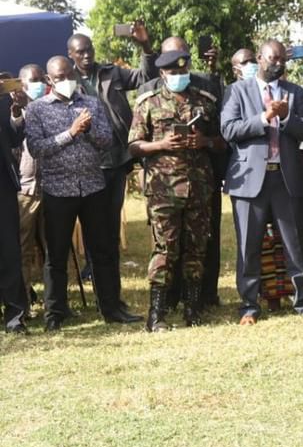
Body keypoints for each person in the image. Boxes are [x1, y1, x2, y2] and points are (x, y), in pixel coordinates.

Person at [24, 56, 140, 330]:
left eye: (70, 76)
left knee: (101, 250)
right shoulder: (37, 110)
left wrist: (86, 131)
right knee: (57, 255)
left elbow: (107, 141)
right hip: (58, 191)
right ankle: (55, 313)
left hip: (92, 187)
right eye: (61, 77)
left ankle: (111, 307)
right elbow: (37, 148)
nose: (67, 81)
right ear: (50, 80)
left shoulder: (91, 103)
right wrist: (71, 132)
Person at [222, 40, 303, 324]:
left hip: (285, 178)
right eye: (271, 59)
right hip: (250, 180)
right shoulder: (237, 91)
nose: (277, 64)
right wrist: (263, 118)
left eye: (281, 61)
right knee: (248, 247)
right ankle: (249, 307)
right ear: (259, 59)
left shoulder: (295, 92)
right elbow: (229, 129)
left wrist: (287, 117)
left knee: (294, 244)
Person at [128, 50, 222, 330]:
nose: (179, 76)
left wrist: (203, 141)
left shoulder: (205, 101)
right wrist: (161, 145)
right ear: (162, 74)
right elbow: (133, 146)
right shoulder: (147, 102)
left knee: (196, 248)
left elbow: (222, 141)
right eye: (173, 73)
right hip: (163, 190)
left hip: (199, 188)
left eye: (183, 72)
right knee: (165, 249)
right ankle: (156, 314)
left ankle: (193, 310)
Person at [68, 27, 157, 306]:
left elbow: (146, 77)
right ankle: (98, 280)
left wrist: (145, 47)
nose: (86, 55)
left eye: (89, 49)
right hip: (86, 165)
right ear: (71, 55)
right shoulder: (66, 81)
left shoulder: (111, 72)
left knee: (109, 226)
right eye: (80, 51)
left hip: (116, 160)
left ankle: (109, 289)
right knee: (95, 229)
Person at [1, 77, 30, 333]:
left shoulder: (1, 95)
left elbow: (13, 138)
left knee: (9, 250)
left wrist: (16, 112)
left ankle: (14, 316)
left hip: (2, 186)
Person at [16, 65, 47, 305]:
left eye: (41, 79)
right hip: (24, 192)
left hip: (51, 189)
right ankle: (24, 302)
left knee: (53, 250)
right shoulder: (14, 114)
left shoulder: (50, 109)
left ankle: (55, 304)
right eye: (32, 80)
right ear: (22, 85)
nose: (38, 84)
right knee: (22, 251)